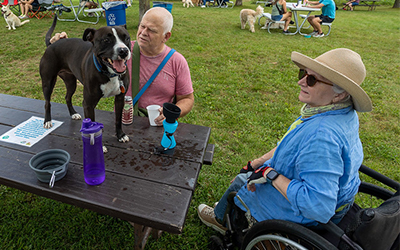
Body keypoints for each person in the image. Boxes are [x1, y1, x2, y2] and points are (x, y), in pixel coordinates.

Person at [197, 48, 373, 238]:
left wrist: (270, 174)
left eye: (312, 80)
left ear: (339, 94)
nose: (301, 81)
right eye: (303, 74)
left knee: (241, 181)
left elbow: (318, 207)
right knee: (249, 173)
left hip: (302, 216)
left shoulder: (322, 136)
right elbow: (290, 146)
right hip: (340, 200)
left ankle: (219, 219)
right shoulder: (340, 112)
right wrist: (258, 162)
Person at [50, 7, 194, 126]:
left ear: (166, 36)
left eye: (151, 30)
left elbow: (187, 98)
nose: (143, 33)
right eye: (142, 26)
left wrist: (173, 112)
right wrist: (63, 44)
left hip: (158, 125)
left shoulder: (177, 61)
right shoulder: (120, 51)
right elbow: (93, 47)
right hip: (124, 123)